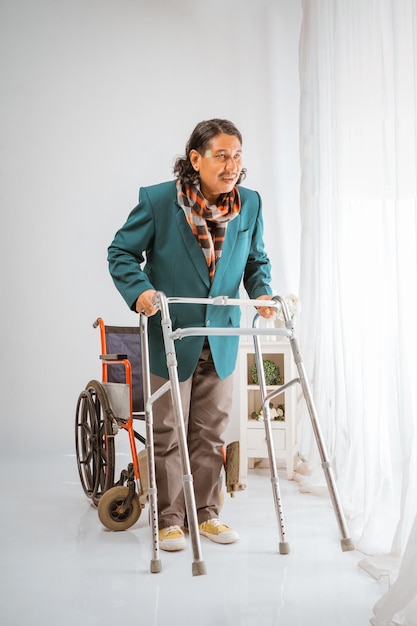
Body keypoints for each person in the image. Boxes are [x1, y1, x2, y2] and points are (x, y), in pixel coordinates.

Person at [108, 118, 275, 551]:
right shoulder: (160, 201)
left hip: (220, 336)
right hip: (171, 335)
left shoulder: (250, 204)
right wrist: (140, 292)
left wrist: (263, 294)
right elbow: (121, 252)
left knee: (211, 430)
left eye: (237, 156)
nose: (232, 165)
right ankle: (169, 519)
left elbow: (256, 262)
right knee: (168, 430)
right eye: (221, 155)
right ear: (196, 159)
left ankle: (207, 514)